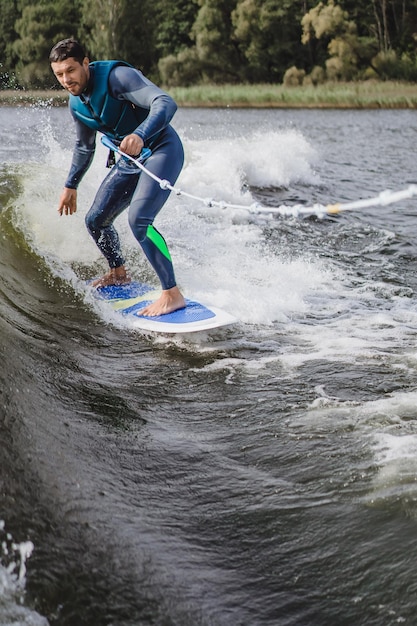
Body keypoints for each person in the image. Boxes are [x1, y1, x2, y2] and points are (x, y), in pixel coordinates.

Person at [49, 38, 186, 317]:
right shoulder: (76, 105)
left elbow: (165, 102)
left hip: (161, 149)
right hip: (131, 161)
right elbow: (84, 147)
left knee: (139, 221)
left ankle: (172, 293)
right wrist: (70, 185)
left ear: (85, 63)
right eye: (59, 75)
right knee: (96, 221)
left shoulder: (117, 77)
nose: (66, 80)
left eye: (71, 71)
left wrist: (140, 134)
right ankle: (118, 272)